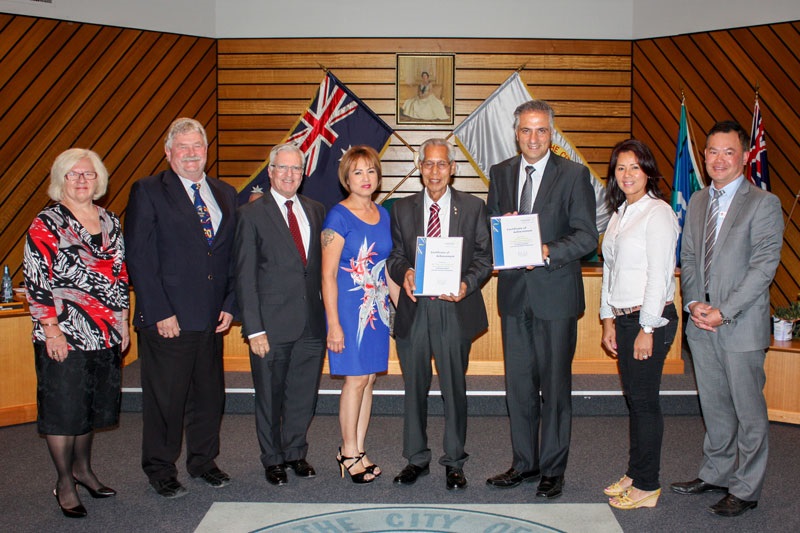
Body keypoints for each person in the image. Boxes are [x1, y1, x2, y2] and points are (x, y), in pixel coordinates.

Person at [670, 121, 783, 517]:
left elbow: (764, 266)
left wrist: (724, 310)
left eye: (728, 152)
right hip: (701, 325)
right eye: (712, 152)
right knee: (715, 406)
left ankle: (746, 488)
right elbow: (688, 260)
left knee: (748, 412)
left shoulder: (763, 204)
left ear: (746, 156)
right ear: (703, 156)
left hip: (739, 327)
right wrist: (694, 303)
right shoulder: (699, 201)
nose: (719, 159)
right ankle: (716, 472)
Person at [486, 99, 598, 499]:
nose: (533, 138)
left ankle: (553, 468)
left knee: (554, 387)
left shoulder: (573, 175)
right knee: (517, 387)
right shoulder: (500, 174)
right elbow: (492, 225)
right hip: (515, 296)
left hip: (555, 297)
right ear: (515, 134)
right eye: (525, 130)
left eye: (541, 130)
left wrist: (546, 251)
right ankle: (524, 463)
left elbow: (587, 236)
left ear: (552, 134)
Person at [125, 117, 237, 498]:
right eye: (183, 147)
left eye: (198, 147)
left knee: (209, 397)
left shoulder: (224, 193)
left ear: (207, 151)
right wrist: (158, 311)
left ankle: (203, 462)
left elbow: (229, 256)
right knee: (166, 400)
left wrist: (229, 303)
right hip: (167, 319)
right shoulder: (149, 190)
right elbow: (138, 256)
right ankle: (160, 469)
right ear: (168, 152)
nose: (192, 154)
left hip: (210, 317)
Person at [24, 148, 129, 518]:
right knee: (63, 410)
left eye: (88, 174)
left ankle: (84, 470)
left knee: (91, 408)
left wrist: (123, 321)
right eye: (73, 174)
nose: (82, 180)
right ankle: (65, 481)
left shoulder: (111, 220)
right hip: (64, 334)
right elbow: (36, 281)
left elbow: (119, 274)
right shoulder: (46, 222)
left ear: (98, 179)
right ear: (60, 181)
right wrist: (50, 329)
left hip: (105, 333)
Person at [388, 138, 492, 490]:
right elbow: (395, 255)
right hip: (416, 309)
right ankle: (415, 459)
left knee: (453, 387)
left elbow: (484, 258)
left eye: (441, 164)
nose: (435, 171)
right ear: (420, 168)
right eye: (428, 164)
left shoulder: (474, 207)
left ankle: (454, 461)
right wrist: (404, 273)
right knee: (414, 387)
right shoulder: (401, 208)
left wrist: (466, 284)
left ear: (453, 169)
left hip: (454, 307)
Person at [235, 143, 326, 487]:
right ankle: (272, 458)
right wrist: (254, 329)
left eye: (296, 169)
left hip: (311, 323)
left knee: (304, 394)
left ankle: (295, 452)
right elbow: (244, 275)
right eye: (282, 168)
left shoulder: (316, 210)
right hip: (270, 326)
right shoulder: (250, 214)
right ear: (270, 172)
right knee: (270, 396)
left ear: (302, 175)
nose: (289, 175)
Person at [598, 139, 679, 510]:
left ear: (647, 170)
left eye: (635, 167)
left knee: (645, 403)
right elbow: (610, 271)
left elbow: (661, 275)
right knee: (635, 401)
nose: (628, 174)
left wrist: (648, 327)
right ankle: (635, 471)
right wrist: (608, 319)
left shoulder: (658, 213)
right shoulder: (619, 214)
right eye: (620, 168)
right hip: (625, 318)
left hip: (651, 319)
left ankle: (647, 485)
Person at [321, 145, 397, 483]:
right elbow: (326, 275)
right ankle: (347, 452)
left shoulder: (384, 214)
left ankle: (359, 448)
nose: (366, 178)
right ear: (346, 178)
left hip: (377, 309)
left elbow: (389, 268)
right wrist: (334, 325)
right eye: (358, 172)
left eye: (371, 171)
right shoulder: (337, 216)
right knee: (353, 380)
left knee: (368, 380)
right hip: (349, 310)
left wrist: (402, 309)